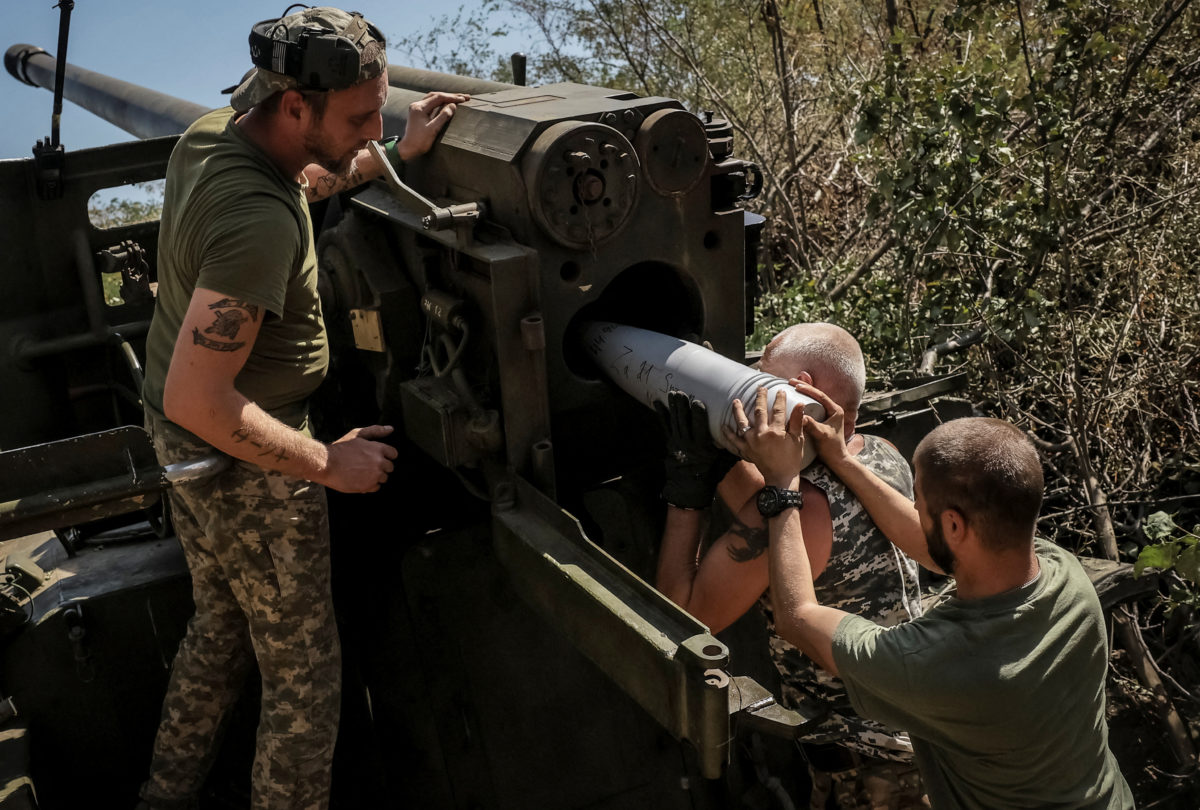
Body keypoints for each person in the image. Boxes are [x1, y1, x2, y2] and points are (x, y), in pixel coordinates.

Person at [135, 8, 468, 809]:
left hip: (183, 443)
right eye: (360, 116)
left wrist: (388, 153)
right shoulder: (254, 225)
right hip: (239, 457)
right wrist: (329, 464)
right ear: (295, 107)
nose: (371, 125)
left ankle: (162, 794)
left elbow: (307, 175)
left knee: (220, 628)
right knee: (304, 679)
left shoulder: (221, 134)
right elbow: (201, 394)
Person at [726, 387, 1136, 809]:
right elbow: (934, 548)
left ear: (955, 527)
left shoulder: (939, 663)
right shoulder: (1062, 572)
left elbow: (797, 617)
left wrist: (782, 484)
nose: (913, 508)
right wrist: (844, 460)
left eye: (917, 499)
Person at [655, 323, 927, 809]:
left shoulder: (804, 512)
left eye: (762, 385)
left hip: (871, 776)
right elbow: (759, 502)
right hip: (910, 742)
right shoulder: (880, 457)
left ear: (798, 391)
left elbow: (682, 616)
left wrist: (685, 495)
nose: (752, 396)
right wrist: (718, 445)